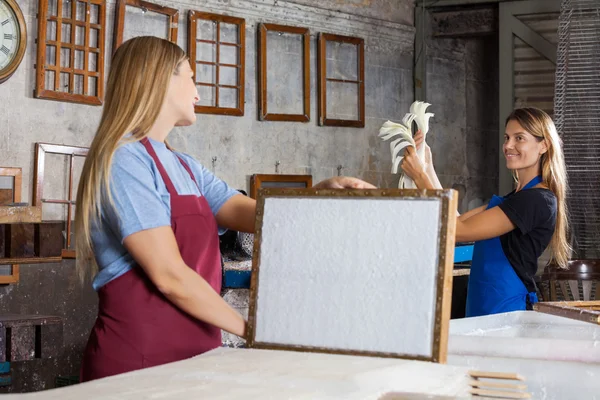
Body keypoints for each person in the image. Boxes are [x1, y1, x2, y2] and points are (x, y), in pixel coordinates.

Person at [75, 36, 375, 381]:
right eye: (190, 77)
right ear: (161, 79)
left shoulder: (185, 167)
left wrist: (320, 195)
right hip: (139, 365)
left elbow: (255, 213)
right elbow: (170, 276)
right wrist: (252, 331)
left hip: (196, 359)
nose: (197, 93)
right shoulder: (124, 161)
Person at [400, 107, 570, 317]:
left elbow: (457, 230)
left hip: (507, 313)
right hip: (483, 308)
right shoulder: (514, 199)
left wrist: (420, 177)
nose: (508, 145)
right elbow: (459, 220)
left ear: (543, 145)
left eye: (519, 138)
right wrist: (427, 167)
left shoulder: (537, 200)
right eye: (507, 137)